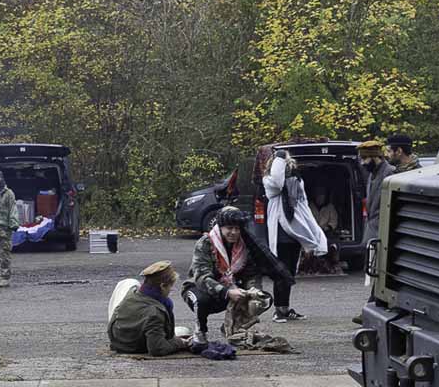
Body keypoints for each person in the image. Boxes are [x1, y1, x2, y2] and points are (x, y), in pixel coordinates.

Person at [182, 206, 294, 343]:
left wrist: (253, 290)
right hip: (199, 288)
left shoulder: (245, 244)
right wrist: (227, 291)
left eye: (237, 228)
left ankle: (233, 327)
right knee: (201, 301)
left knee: (262, 299)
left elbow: (252, 274)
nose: (234, 232)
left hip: (232, 287)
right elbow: (201, 278)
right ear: (221, 227)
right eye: (229, 228)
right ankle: (200, 330)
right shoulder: (205, 242)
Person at [263, 150, 328, 322]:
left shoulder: (296, 181)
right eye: (286, 166)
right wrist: (280, 156)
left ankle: (285, 308)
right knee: (281, 272)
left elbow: (304, 205)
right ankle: (278, 310)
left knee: (290, 273)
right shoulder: (271, 183)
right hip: (281, 232)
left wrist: (312, 229)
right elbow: (278, 180)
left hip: (295, 232)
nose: (289, 168)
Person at [108, 261, 191, 357]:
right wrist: (181, 343)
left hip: (119, 340)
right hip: (133, 347)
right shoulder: (154, 313)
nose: (170, 290)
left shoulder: (132, 295)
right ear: (162, 286)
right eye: (170, 286)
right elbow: (157, 349)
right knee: (184, 331)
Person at [354, 140, 395, 324]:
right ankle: (372, 308)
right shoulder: (373, 175)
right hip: (374, 230)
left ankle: (371, 309)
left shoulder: (390, 173)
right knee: (376, 272)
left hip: (383, 231)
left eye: (365, 159)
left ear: (376, 157)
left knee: (380, 273)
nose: (363, 163)